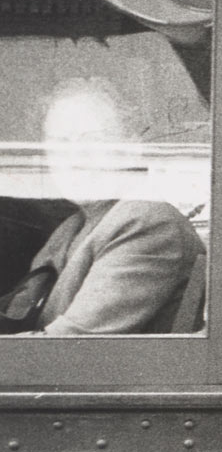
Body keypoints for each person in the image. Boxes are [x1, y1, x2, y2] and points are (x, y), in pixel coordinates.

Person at [1, 76, 205, 335]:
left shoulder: (146, 221)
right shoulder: (70, 229)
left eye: (92, 140)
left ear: (132, 149)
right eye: (60, 143)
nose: (74, 157)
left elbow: (70, 346)